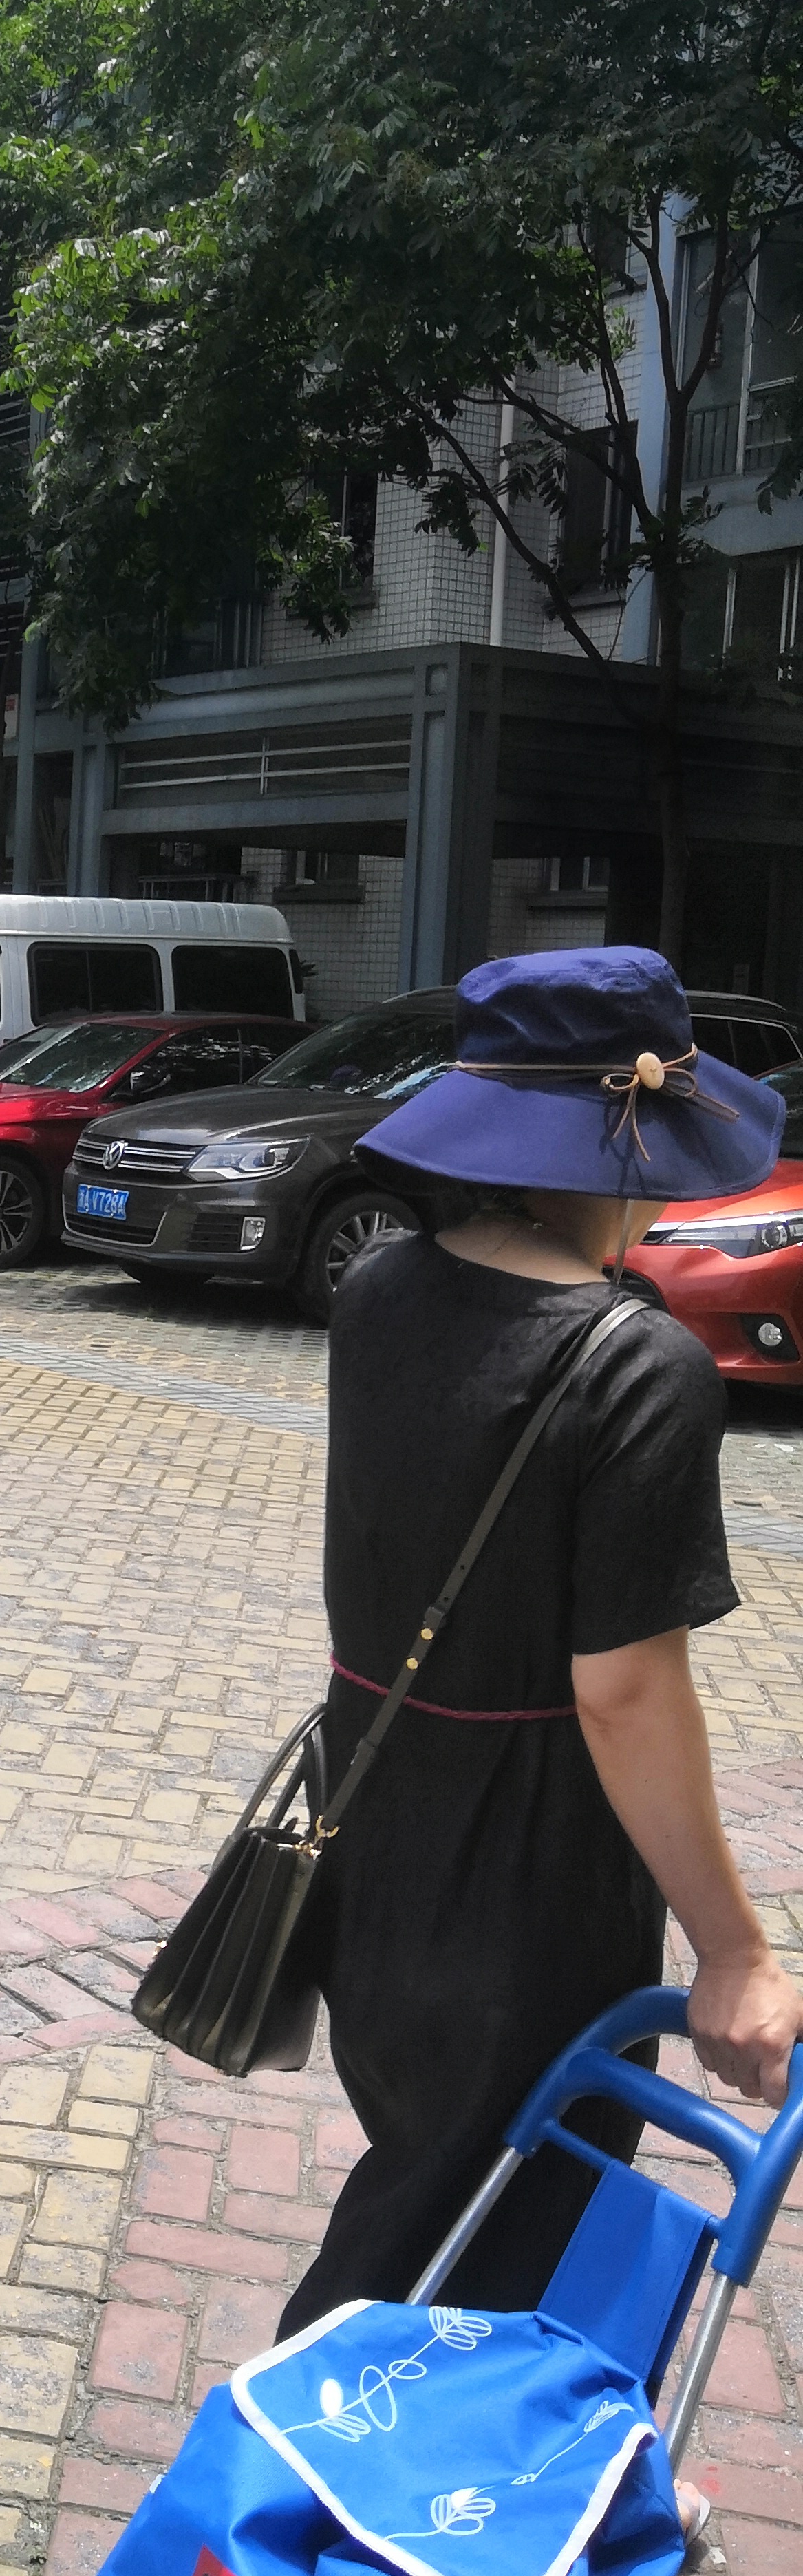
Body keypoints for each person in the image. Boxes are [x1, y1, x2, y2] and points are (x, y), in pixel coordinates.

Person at [281, 944, 803, 2341]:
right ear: (624, 1141)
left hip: (370, 1845)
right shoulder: (639, 1366)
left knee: (432, 2192)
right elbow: (625, 1693)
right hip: (532, 1897)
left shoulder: (377, 1289)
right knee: (459, 2260)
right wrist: (735, 1952)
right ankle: (280, 2452)